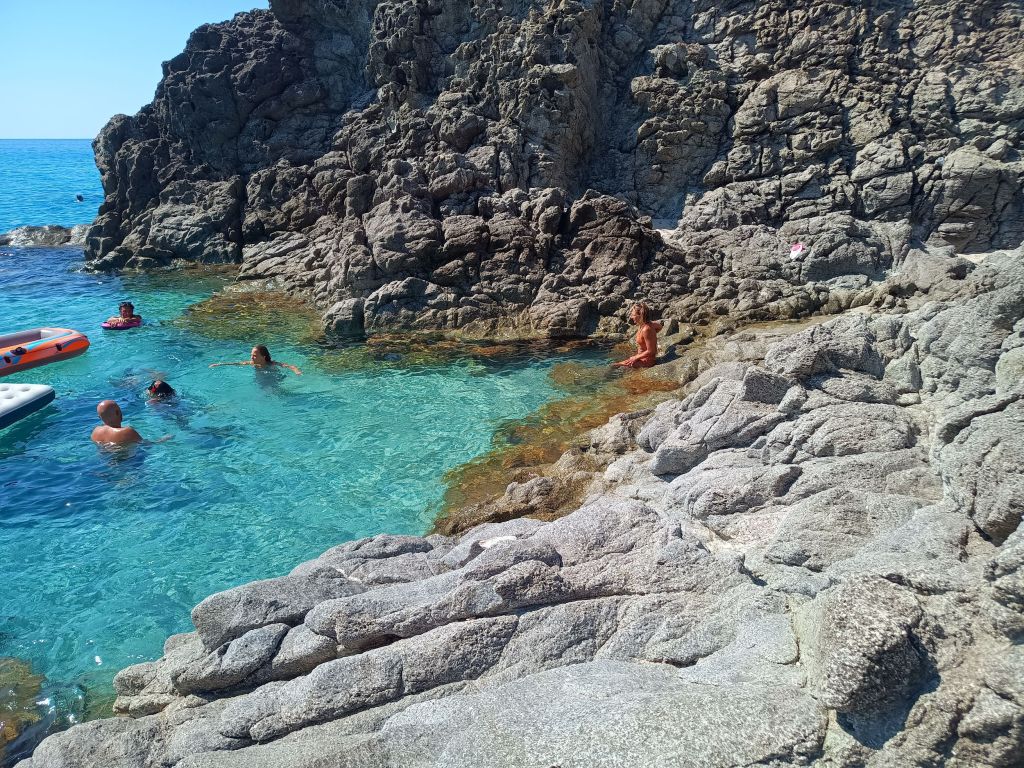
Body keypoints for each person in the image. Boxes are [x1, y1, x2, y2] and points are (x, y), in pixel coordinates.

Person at [613, 303, 663, 369]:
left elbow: (651, 351)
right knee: (615, 365)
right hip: (640, 358)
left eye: (633, 315)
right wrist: (652, 335)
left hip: (647, 361)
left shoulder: (646, 329)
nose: (631, 317)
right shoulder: (643, 325)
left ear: (640, 315)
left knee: (616, 366)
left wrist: (635, 357)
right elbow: (660, 326)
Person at [209, 345, 302, 375]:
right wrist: (219, 364)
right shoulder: (252, 363)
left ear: (263, 357)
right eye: (251, 355)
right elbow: (236, 363)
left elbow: (290, 366)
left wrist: (297, 371)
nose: (251, 358)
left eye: (254, 356)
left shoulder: (271, 363)